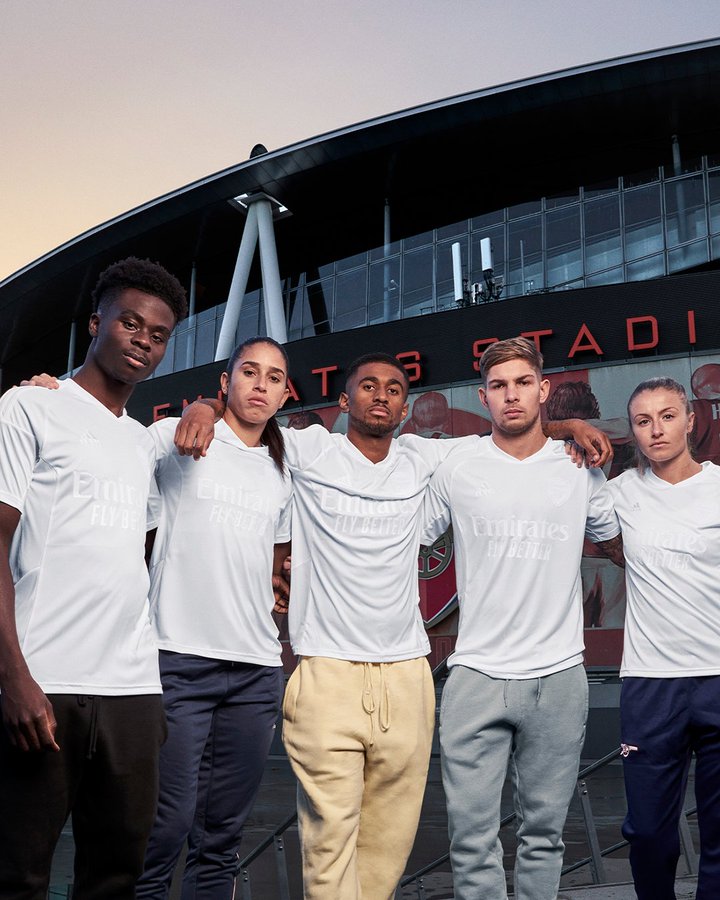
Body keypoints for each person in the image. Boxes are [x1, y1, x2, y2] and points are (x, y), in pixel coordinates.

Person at [175, 351, 613, 900]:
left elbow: (514, 432)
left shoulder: (427, 458)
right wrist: (202, 406)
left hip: (407, 675)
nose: (381, 395)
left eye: (393, 389)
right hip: (327, 672)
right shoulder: (309, 448)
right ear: (342, 399)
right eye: (367, 386)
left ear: (405, 409)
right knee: (329, 840)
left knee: (388, 846)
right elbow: (249, 412)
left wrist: (570, 425)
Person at [0, 258, 187, 900]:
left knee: (116, 878)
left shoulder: (141, 445)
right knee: (18, 876)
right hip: (45, 680)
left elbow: (131, 558)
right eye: (130, 323)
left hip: (133, 691)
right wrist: (14, 677)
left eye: (158, 334)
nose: (142, 340)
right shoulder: (31, 406)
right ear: (94, 323)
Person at [422, 337, 623, 900]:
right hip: (476, 676)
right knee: (471, 838)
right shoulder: (456, 466)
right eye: (498, 386)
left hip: (558, 677)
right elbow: (405, 540)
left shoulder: (579, 467)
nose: (511, 395)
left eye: (522, 383)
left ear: (543, 390)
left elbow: (620, 549)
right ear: (483, 397)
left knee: (544, 835)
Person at [136, 337, 293, 899]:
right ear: (226, 383)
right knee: (165, 826)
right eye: (249, 372)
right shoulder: (179, 437)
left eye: (273, 377)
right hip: (177, 660)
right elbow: (105, 438)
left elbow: (276, 565)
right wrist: (51, 395)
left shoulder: (282, 470)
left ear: (282, 394)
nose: (260, 384)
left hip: (254, 672)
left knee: (221, 835)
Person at [606, 376, 720, 900]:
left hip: (718, 678)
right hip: (651, 684)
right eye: (643, 420)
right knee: (648, 831)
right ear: (632, 431)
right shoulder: (618, 494)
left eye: (668, 416)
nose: (657, 430)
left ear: (691, 420)